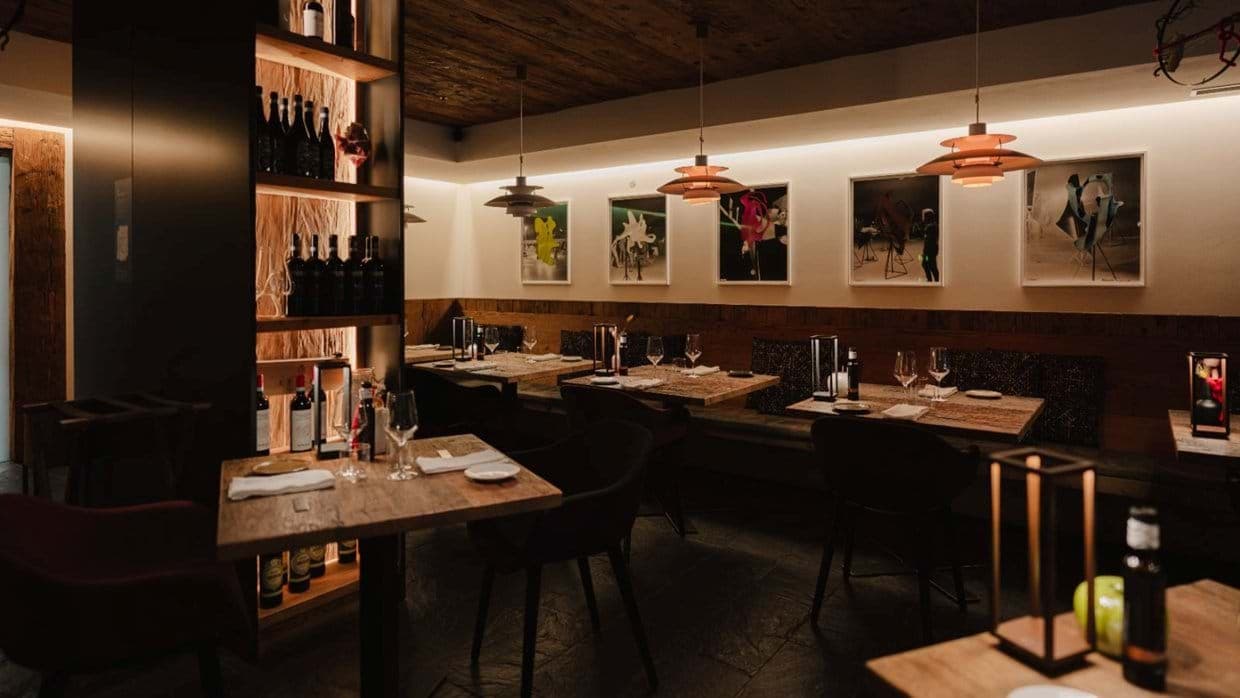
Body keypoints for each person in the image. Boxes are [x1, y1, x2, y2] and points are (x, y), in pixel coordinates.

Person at [920, 209, 940, 282]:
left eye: (924, 216)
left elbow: (928, 240)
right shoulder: (932, 225)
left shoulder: (930, 227)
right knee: (927, 265)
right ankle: (931, 280)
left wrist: (925, 252)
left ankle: (933, 280)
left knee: (930, 265)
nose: (923, 218)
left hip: (929, 250)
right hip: (930, 250)